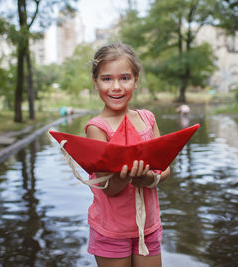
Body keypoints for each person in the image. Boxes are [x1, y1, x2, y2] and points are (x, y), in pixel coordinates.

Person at [84, 43, 170, 267]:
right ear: (95, 82)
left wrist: (150, 178)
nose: (116, 87)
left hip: (148, 227)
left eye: (124, 78)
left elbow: (165, 168)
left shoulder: (147, 119)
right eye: (106, 79)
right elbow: (109, 189)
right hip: (111, 230)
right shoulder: (97, 128)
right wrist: (125, 177)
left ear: (136, 80)